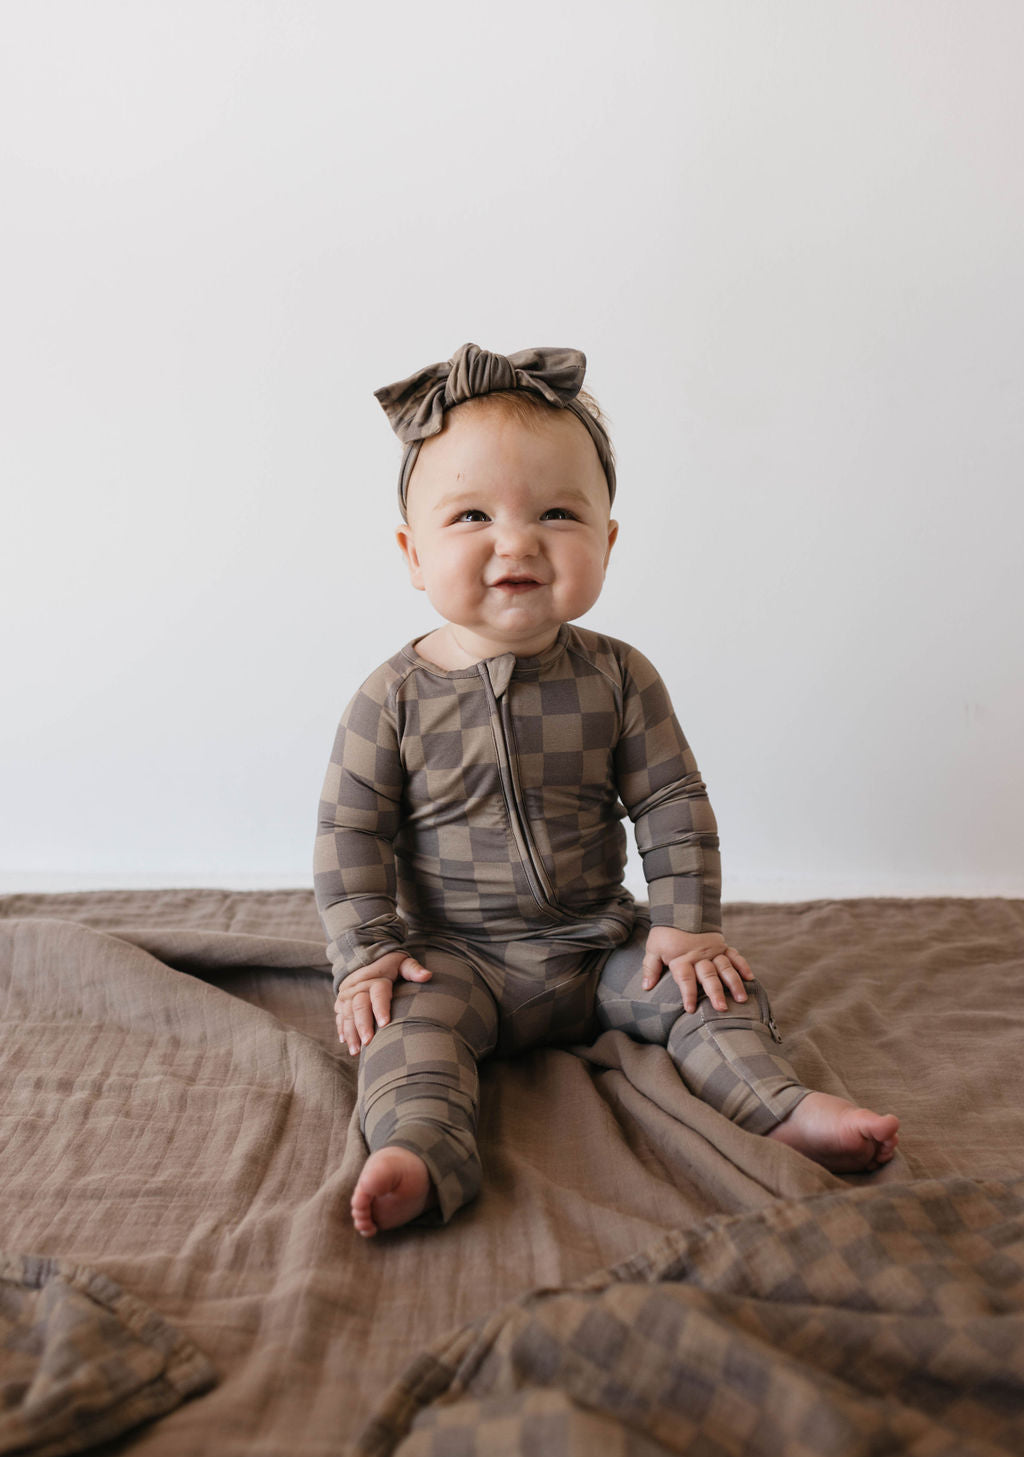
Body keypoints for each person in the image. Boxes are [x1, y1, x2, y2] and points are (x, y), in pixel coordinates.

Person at [314, 342, 899, 1237]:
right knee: (403, 1038)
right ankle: (418, 1151)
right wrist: (368, 952)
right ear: (413, 553)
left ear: (607, 541)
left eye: (556, 511)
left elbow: (670, 803)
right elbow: (351, 834)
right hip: (454, 959)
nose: (516, 540)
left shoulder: (620, 679)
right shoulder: (390, 697)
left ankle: (779, 1106)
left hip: (599, 950)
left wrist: (686, 923)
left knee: (712, 992)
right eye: (471, 515)